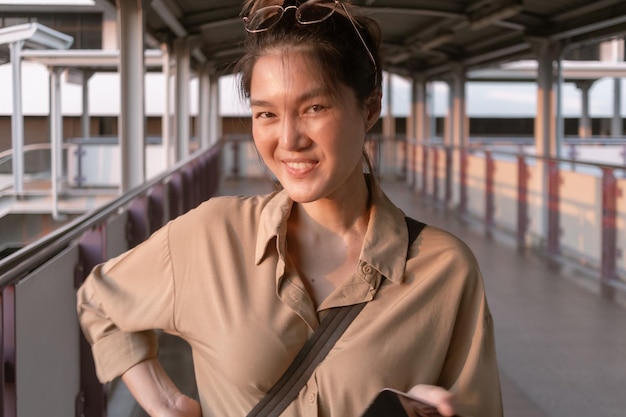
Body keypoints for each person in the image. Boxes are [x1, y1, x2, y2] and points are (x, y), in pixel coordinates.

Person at [76, 0, 504, 416]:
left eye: (314, 108)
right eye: (266, 114)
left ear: (370, 108)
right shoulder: (210, 236)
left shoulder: (444, 271)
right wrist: (167, 404)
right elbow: (100, 301)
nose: (289, 139)